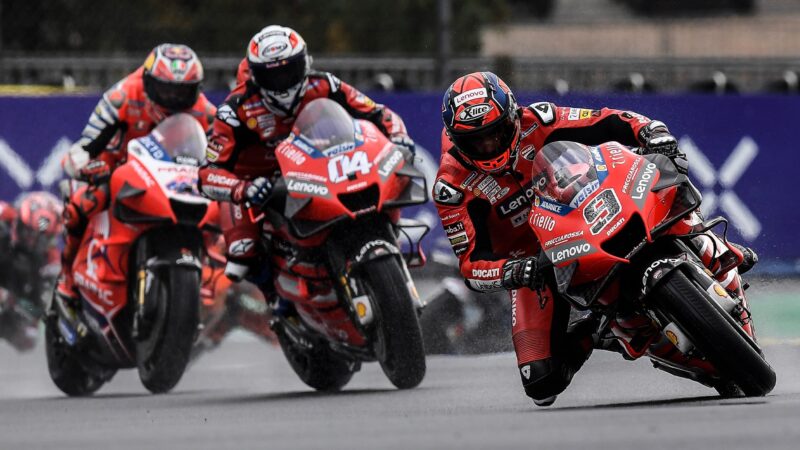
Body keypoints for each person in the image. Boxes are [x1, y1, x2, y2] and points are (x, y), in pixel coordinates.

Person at [433, 71, 758, 406]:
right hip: (538, 261)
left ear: (513, 115)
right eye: (476, 141)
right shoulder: (452, 186)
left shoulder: (540, 119)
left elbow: (609, 120)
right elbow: (472, 266)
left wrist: (652, 132)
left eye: (495, 132)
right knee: (541, 382)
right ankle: (596, 328)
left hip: (587, 208)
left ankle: (713, 246)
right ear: (457, 140)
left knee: (662, 175)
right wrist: (516, 271)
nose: (489, 146)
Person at [198, 25, 414, 282]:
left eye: (290, 70)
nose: (283, 82)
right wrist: (242, 188)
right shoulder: (233, 111)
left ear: (305, 63)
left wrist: (399, 137)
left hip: (317, 168)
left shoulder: (325, 84)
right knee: (242, 255)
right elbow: (208, 173)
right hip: (261, 185)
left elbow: (378, 113)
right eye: (273, 76)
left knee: (374, 195)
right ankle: (277, 302)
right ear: (255, 77)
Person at [56, 44, 217, 309]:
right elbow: (87, 144)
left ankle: (209, 280)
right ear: (148, 82)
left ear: (196, 89)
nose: (174, 100)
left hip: (180, 178)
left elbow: (224, 156)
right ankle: (66, 282)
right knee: (81, 204)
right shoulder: (123, 96)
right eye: (166, 89)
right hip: (121, 167)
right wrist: (84, 164)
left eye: (182, 92)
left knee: (223, 213)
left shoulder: (206, 113)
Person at [0, 192, 63, 351]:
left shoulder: (50, 262)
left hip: (12, 299)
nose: (30, 242)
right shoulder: (4, 215)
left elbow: (38, 309)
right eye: (28, 233)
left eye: (40, 239)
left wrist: (16, 303)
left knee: (27, 337)